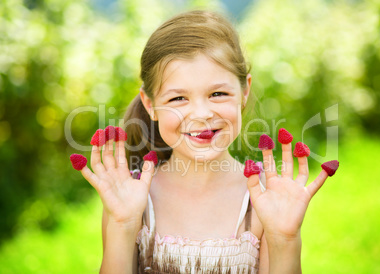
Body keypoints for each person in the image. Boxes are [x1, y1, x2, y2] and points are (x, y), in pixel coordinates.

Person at [72, 10, 338, 273]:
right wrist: (122, 223)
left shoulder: (267, 200)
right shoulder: (131, 198)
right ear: (150, 104)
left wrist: (285, 240)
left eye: (218, 93)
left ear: (244, 92)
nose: (201, 114)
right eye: (178, 99)